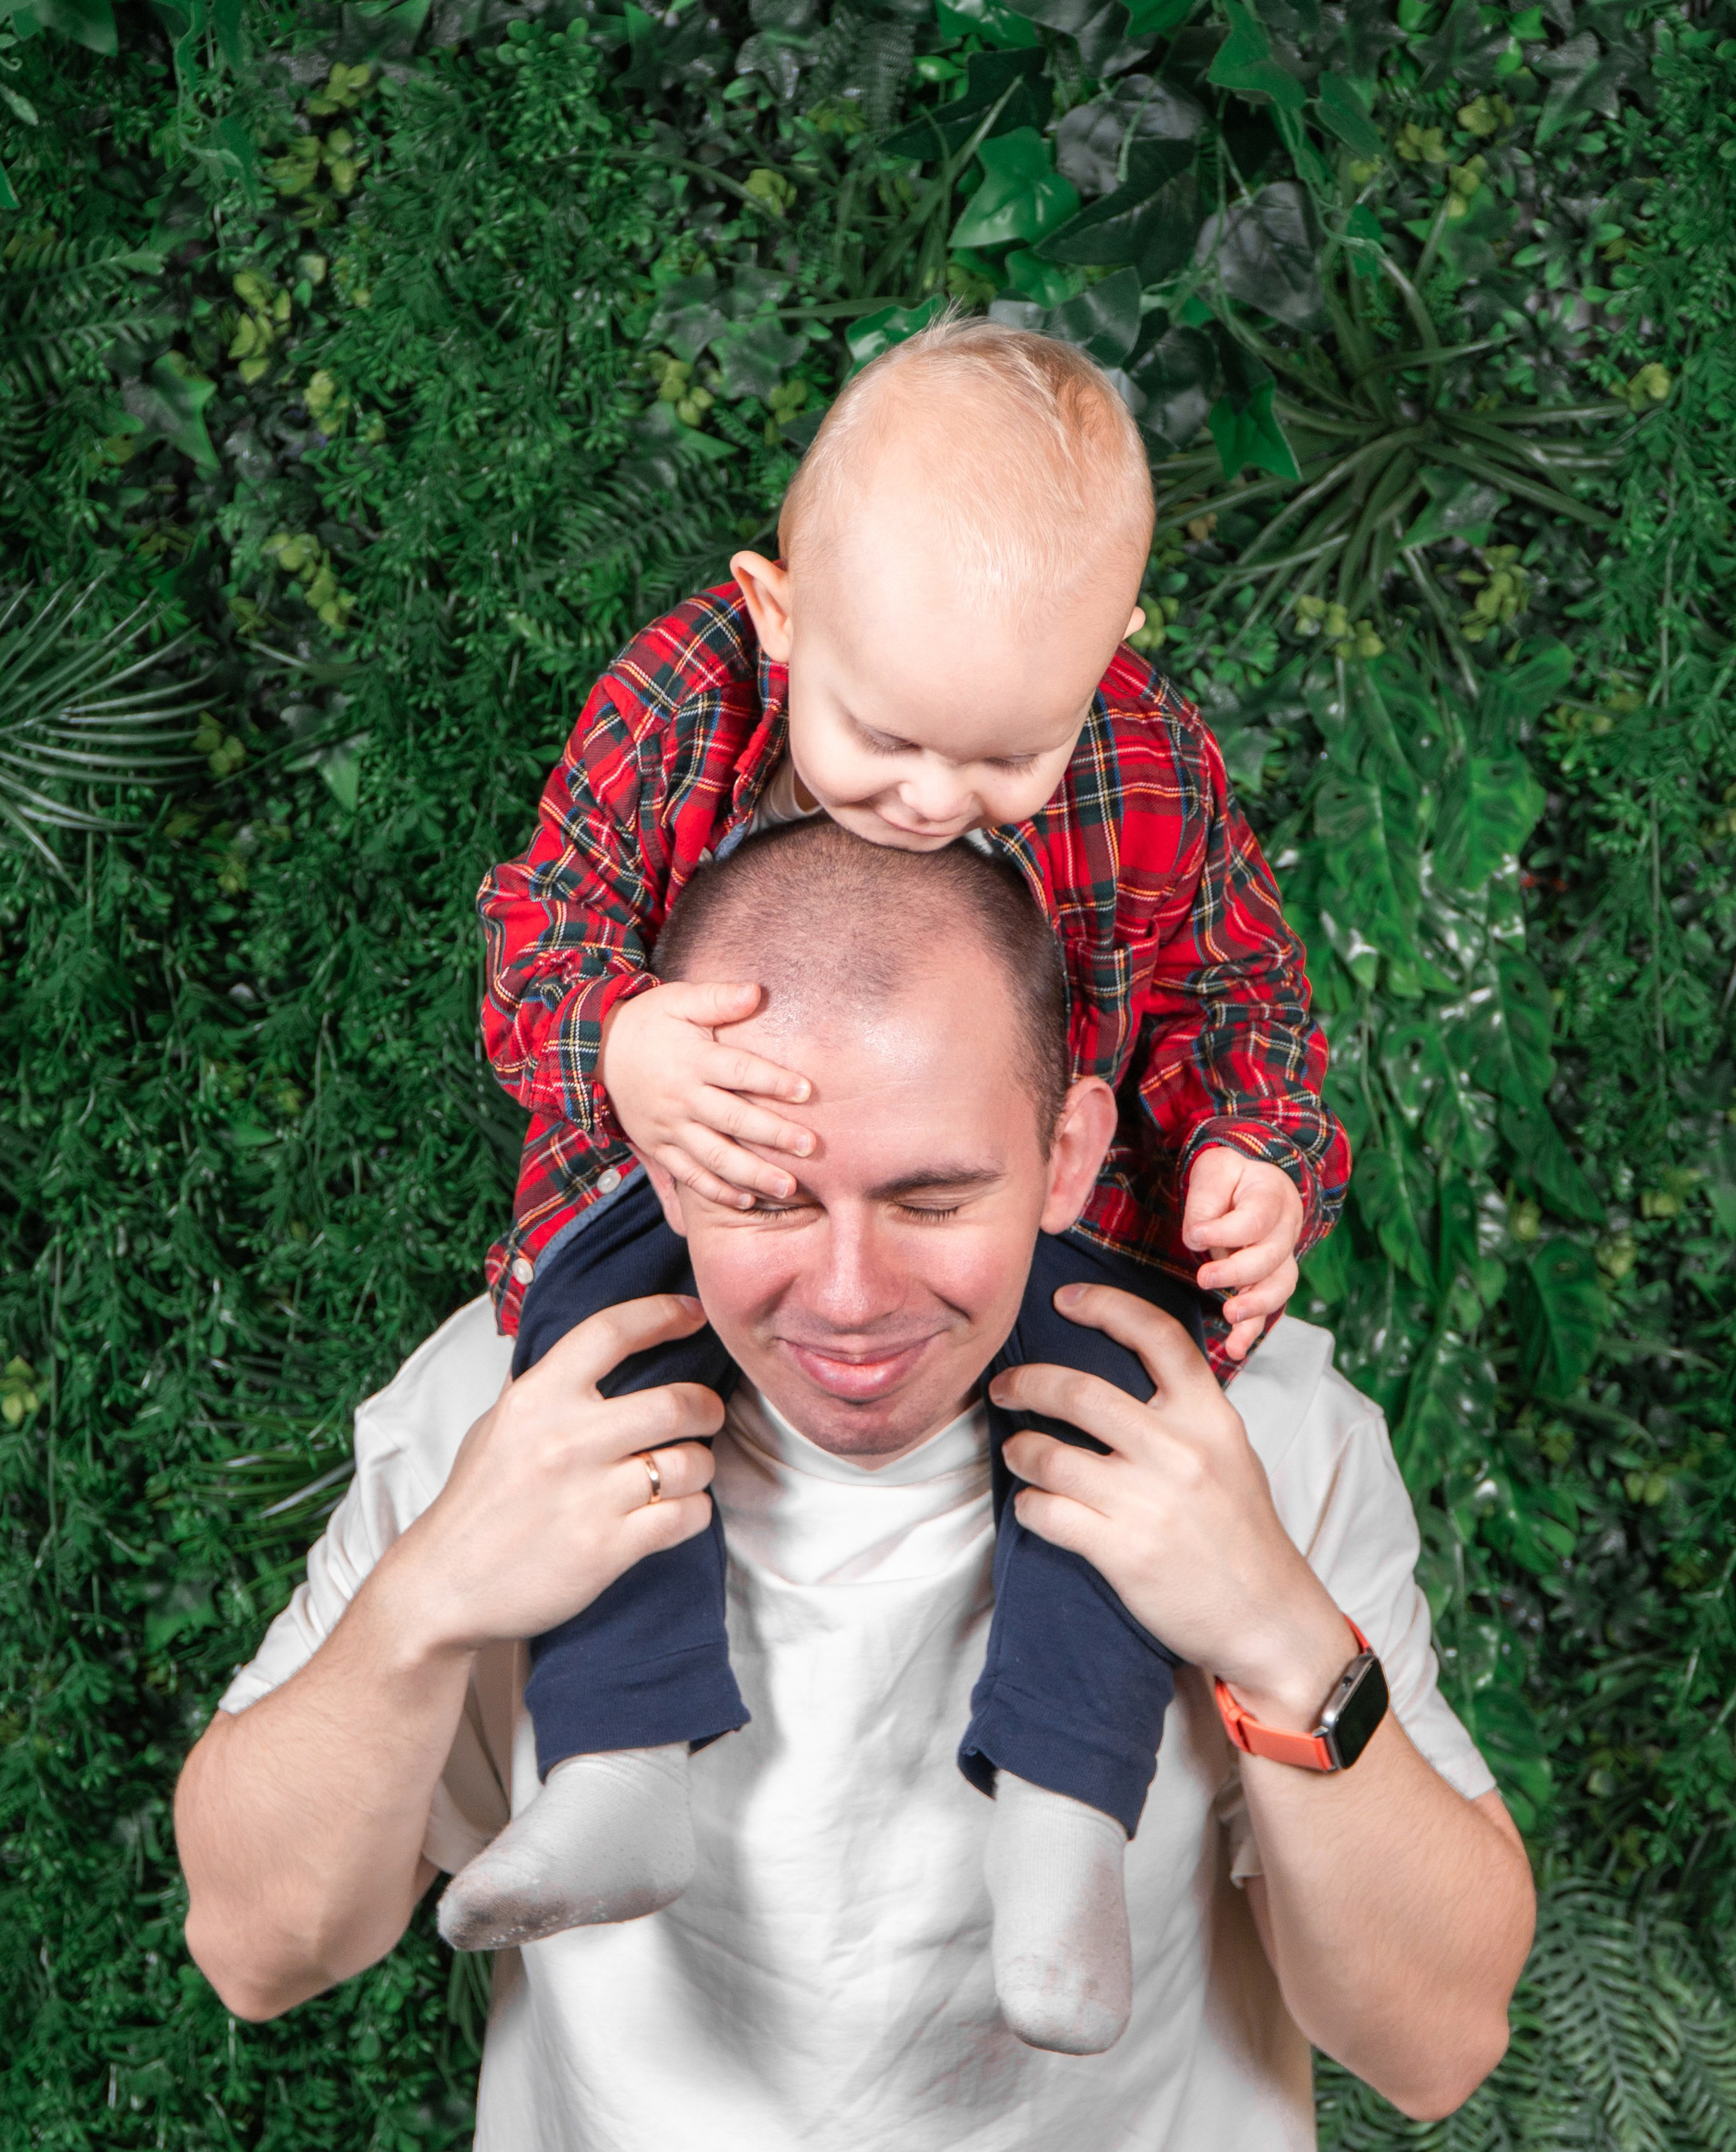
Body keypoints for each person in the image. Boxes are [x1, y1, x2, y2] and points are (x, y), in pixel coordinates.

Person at [175, 830, 1535, 2152]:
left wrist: (1277, 1630)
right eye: (769, 1194)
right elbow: (260, 1941)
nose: (847, 1289)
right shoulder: (502, 1415)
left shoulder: (1269, 1443)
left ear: (1070, 1148)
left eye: (932, 1194)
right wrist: (431, 1601)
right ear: (660, 1151)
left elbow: (1439, 2032)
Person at [468, 319, 1354, 2011]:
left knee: (1116, 1415)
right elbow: (538, 921)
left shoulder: (1145, 756)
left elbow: (1237, 978)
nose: (938, 799)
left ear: (1106, 656)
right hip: (699, 1188)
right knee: (597, 1363)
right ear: (778, 610)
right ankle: (616, 1771)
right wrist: (615, 1041)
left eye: (1004, 757)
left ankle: (1063, 1832)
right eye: (882, 737)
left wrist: (1253, 1145)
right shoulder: (678, 697)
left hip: (1020, 1221)